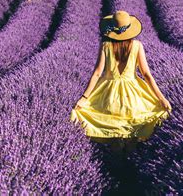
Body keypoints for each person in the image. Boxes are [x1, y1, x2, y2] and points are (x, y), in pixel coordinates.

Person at [70, 10, 172, 158]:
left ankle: (117, 165)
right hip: (133, 95)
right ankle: (129, 165)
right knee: (132, 131)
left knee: (113, 134)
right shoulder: (137, 46)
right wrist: (161, 98)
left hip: (109, 95)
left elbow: (97, 73)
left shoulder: (106, 45)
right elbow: (146, 75)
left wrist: (84, 98)